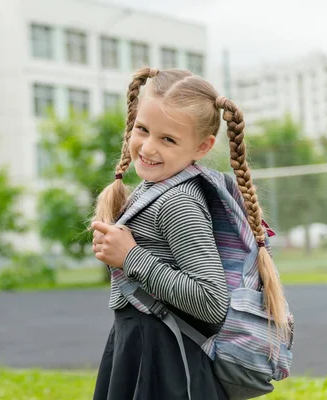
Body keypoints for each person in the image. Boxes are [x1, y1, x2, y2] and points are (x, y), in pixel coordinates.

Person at [90, 67, 289, 400]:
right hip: (144, 351)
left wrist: (131, 256)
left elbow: (211, 302)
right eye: (143, 129)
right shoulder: (153, 188)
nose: (148, 147)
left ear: (202, 147)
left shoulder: (177, 201)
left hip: (167, 364)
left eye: (168, 139)